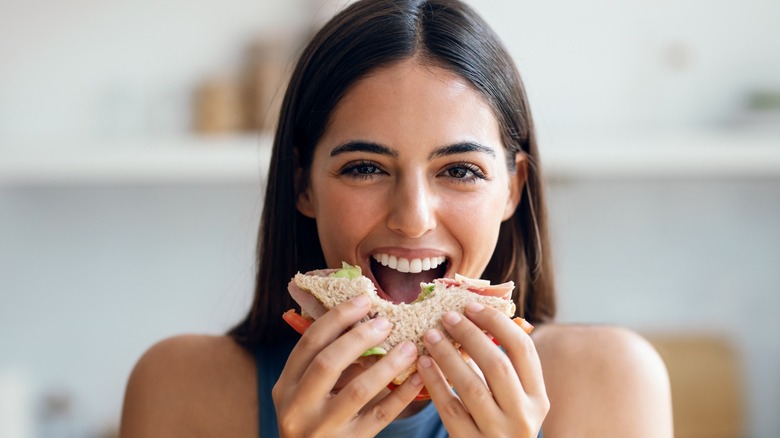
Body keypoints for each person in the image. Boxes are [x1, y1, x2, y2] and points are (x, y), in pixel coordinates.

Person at [120, 0, 673, 436]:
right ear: (302, 186)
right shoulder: (179, 387)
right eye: (365, 168)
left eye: (460, 170)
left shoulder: (611, 379)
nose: (412, 219)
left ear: (513, 189)